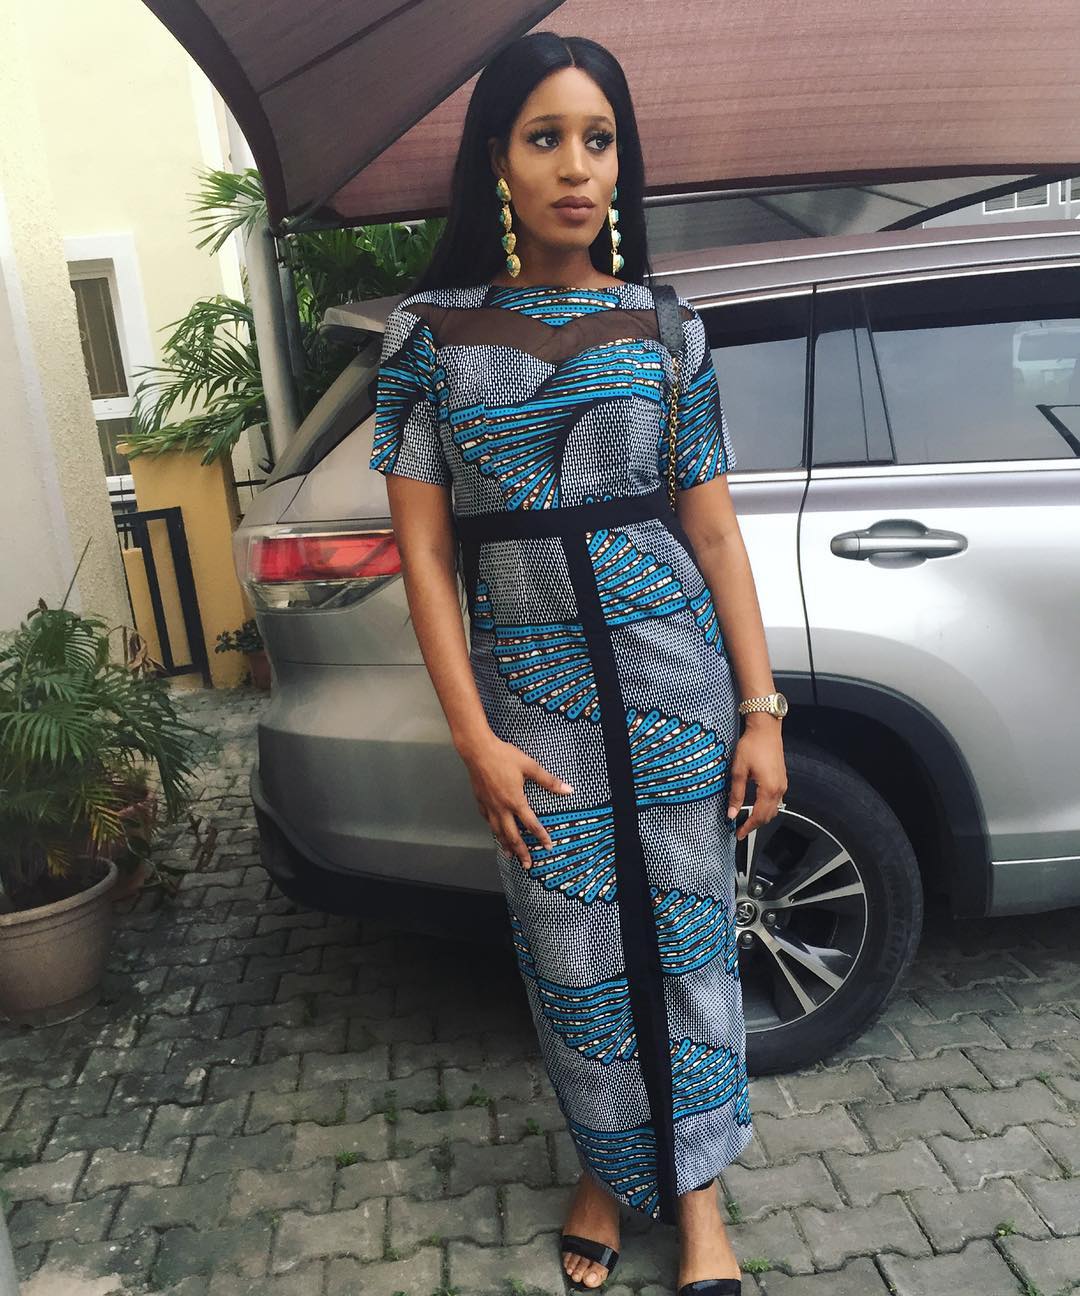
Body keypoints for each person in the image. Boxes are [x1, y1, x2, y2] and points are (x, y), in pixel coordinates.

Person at [368, 30, 788, 1296]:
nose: (576, 167)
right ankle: (608, 1171)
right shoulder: (429, 335)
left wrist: (761, 710)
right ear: (497, 159)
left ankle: (699, 1201)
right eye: (545, 137)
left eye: (598, 140)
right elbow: (423, 556)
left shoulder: (665, 324)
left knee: (690, 940)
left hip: (676, 683)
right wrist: (474, 738)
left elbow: (714, 532)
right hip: (533, 710)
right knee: (575, 957)